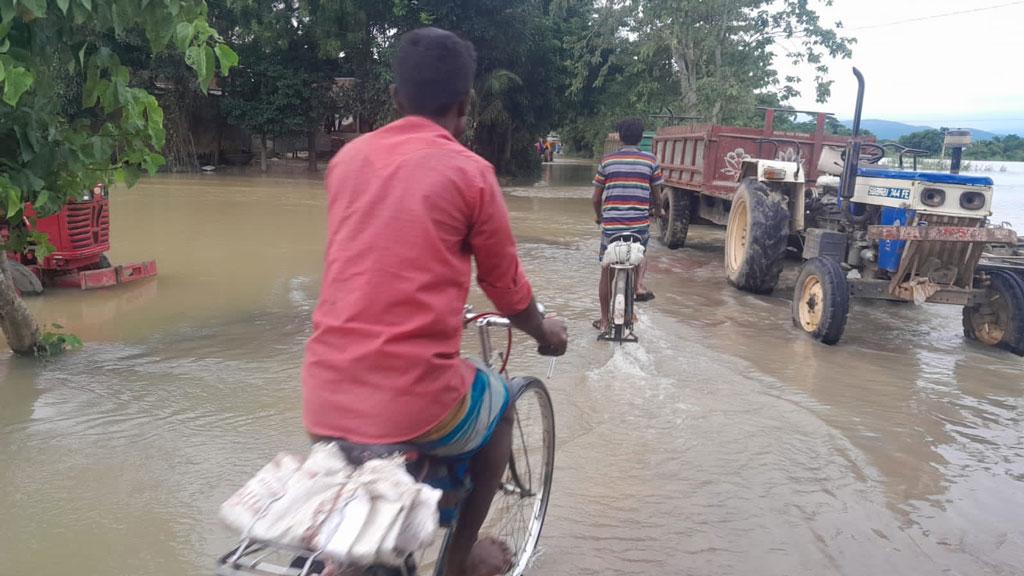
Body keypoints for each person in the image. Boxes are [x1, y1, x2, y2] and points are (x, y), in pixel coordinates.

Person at [301, 27, 568, 576]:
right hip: (415, 400)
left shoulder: (346, 162)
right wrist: (546, 331)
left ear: (396, 99)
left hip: (324, 392)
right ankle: (457, 560)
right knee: (497, 409)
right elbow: (506, 290)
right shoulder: (471, 174)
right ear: (465, 105)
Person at [592, 117, 663, 332]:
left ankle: (604, 322)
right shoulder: (651, 162)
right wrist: (657, 212)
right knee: (641, 255)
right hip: (639, 226)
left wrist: (599, 217)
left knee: (606, 271)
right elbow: (657, 196)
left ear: (620, 137)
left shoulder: (607, 161)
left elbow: (596, 198)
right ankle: (638, 285)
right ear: (641, 138)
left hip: (611, 227)